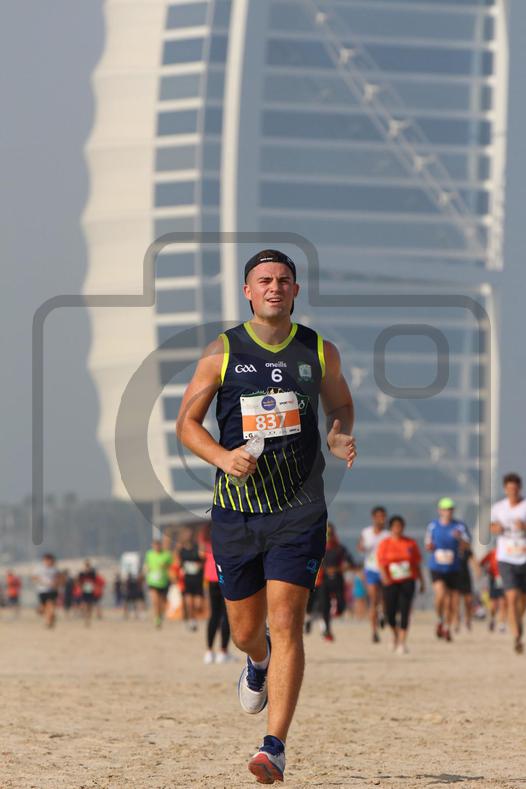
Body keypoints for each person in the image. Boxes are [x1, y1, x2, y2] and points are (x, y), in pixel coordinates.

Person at [176, 248, 356, 783]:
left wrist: (339, 432)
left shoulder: (319, 351)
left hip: (300, 510)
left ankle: (273, 747)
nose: (274, 287)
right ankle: (257, 662)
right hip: (237, 512)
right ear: (248, 292)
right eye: (264, 280)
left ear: (295, 290)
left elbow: (341, 405)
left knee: (288, 623)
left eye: (283, 280)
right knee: (245, 632)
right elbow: (187, 424)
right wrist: (221, 457)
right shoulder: (222, 351)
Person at [425, 498, 470, 642]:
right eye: (445, 509)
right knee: (440, 594)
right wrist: (430, 547)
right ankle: (439, 619)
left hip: (454, 567)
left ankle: (447, 627)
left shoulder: (460, 526)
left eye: (450, 509)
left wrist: (460, 539)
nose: (448, 512)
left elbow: (467, 545)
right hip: (437, 567)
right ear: (440, 510)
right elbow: (428, 544)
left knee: (452, 602)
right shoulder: (433, 526)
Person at [377, 515, 424, 654]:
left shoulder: (411, 543)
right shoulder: (385, 544)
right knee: (390, 612)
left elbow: (416, 563)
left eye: (400, 526)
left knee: (405, 611)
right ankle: (395, 634)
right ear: (391, 528)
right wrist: (385, 577)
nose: (398, 529)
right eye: (395, 526)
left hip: (407, 581)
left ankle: (402, 642)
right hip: (390, 582)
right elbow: (381, 563)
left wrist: (422, 581)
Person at [490, 472, 526, 654]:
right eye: (509, 488)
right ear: (505, 489)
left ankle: (518, 623)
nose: (512, 491)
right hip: (506, 558)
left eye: (515, 488)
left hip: (524, 558)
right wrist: (496, 528)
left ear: (520, 488)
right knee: (511, 598)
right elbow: (491, 527)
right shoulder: (498, 508)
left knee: (522, 601)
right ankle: (516, 635)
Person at [199, 522, 233, 663]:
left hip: (211, 578)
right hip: (224, 576)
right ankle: (223, 651)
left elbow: (201, 555)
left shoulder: (206, 538)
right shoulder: (227, 535)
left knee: (214, 615)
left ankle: (209, 651)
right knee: (226, 615)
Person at [357, 506, 388, 643]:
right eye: (379, 516)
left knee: (385, 598)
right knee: (374, 599)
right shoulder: (366, 532)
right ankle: (374, 631)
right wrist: (362, 547)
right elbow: (360, 547)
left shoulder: (387, 534)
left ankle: (383, 613)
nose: (381, 519)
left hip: (385, 570)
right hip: (371, 569)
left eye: (383, 516)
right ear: (373, 518)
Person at [319, 522, 354, 641]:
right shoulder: (318, 547)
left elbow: (351, 563)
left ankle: (333, 614)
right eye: (326, 533)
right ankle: (327, 629)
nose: (329, 536)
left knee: (341, 605)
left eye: (331, 533)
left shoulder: (340, 548)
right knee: (324, 605)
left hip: (338, 580)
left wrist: (339, 569)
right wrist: (324, 569)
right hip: (323, 580)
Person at [177, 526, 205, 631]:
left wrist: (200, 565)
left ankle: (194, 618)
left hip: (198, 580)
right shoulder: (181, 550)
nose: (188, 536)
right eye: (186, 534)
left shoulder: (197, 548)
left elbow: (203, 560)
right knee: (189, 604)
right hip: (187, 580)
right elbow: (178, 563)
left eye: (190, 534)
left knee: (198, 605)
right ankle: (191, 621)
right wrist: (181, 568)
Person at [144, 535, 173, 628]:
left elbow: (171, 566)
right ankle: (157, 618)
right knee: (155, 601)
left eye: (158, 545)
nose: (156, 547)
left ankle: (160, 615)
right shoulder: (149, 554)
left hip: (163, 581)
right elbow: (146, 565)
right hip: (152, 581)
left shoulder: (167, 555)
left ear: (160, 545)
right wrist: (145, 572)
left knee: (162, 601)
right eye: (154, 545)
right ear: (152, 546)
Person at [479, 547, 507, 633]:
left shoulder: (508, 552)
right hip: (494, 579)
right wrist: (485, 571)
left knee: (503, 602)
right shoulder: (492, 552)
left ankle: (501, 624)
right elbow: (481, 562)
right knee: (493, 604)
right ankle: (492, 618)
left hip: (506, 578)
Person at [33, 553, 60, 628]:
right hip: (42, 591)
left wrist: (55, 583)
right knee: (44, 609)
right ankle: (48, 618)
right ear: (44, 560)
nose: (49, 562)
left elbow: (59, 578)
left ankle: (49, 622)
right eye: (48, 560)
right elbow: (34, 577)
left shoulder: (55, 569)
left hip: (52, 591)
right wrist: (42, 582)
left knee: (51, 606)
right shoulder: (39, 568)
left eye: (51, 560)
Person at [78, 560, 97, 627]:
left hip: (90, 590)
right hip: (84, 590)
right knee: (84, 604)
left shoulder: (92, 572)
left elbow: (94, 580)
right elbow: (79, 581)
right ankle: (86, 617)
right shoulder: (82, 573)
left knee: (90, 605)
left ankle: (88, 617)